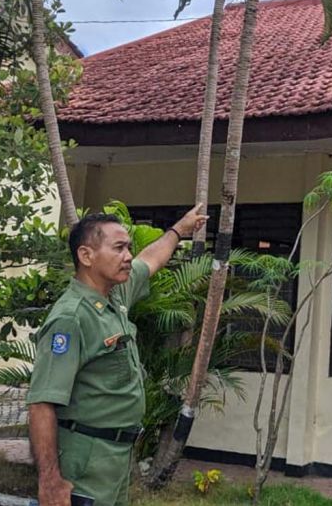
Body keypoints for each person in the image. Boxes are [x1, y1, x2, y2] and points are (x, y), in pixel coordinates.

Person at [27, 206, 208, 506]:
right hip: (86, 459)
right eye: (119, 248)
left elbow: (150, 259)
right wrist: (49, 481)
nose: (127, 256)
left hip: (116, 457)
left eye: (128, 248)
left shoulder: (114, 295)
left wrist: (178, 230)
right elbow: (41, 403)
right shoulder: (71, 318)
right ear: (86, 256)